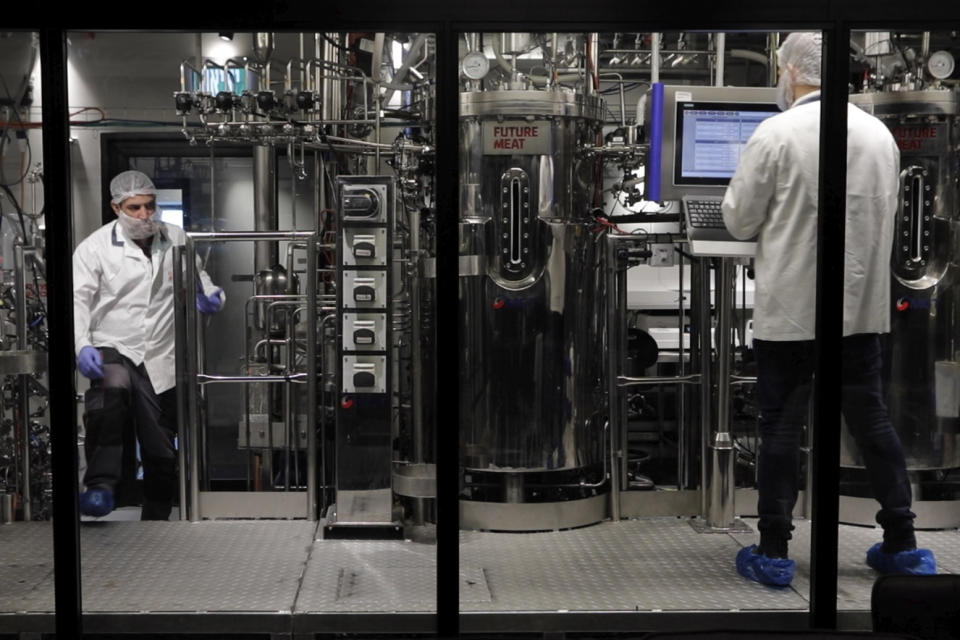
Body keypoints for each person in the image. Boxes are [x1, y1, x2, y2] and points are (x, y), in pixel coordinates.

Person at [721, 32, 936, 586]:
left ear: (791, 71)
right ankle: (904, 544)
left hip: (791, 311)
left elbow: (739, 220)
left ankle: (773, 552)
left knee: (781, 427)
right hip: (859, 312)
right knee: (871, 421)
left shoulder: (776, 132)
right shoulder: (878, 134)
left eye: (779, 70)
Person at [73, 170, 225, 520]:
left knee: (161, 447)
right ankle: (100, 486)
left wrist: (213, 297)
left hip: (161, 351)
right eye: (135, 207)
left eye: (149, 206)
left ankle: (156, 518)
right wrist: (82, 345)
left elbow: (200, 280)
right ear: (116, 207)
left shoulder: (175, 237)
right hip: (112, 344)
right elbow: (78, 301)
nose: (144, 215)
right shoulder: (94, 248)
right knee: (111, 395)